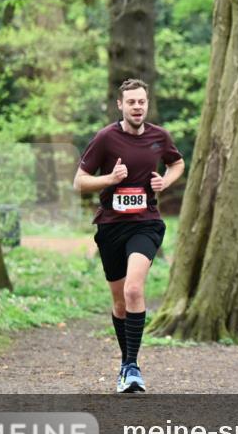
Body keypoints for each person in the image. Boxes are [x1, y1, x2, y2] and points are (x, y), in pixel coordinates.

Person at [73, 78, 185, 393]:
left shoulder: (159, 136)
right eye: (131, 102)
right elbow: (79, 182)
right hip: (110, 226)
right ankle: (126, 364)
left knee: (135, 290)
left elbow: (177, 163)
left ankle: (133, 368)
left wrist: (167, 180)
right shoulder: (105, 138)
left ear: (147, 104)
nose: (137, 107)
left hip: (145, 224)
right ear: (120, 105)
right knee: (120, 302)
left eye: (142, 102)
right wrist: (110, 178)